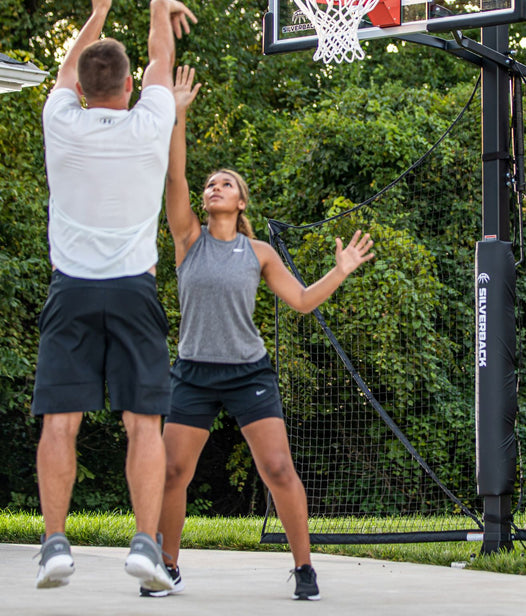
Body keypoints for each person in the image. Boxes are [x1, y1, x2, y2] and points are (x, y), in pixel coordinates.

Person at [142, 65, 374, 601]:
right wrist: (177, 116)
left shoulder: (259, 253)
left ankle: (304, 568)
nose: (213, 187)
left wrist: (339, 271)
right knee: (174, 470)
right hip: (195, 372)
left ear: (241, 201)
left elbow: (300, 302)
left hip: (249, 371)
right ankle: (167, 565)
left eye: (225, 183)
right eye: (210, 184)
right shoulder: (188, 240)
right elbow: (174, 179)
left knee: (276, 467)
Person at [31, 0, 197, 593]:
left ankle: (53, 545)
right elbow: (161, 60)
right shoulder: (150, 122)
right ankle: (147, 546)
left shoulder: (60, 121)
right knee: (143, 423)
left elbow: (69, 71)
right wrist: (158, 8)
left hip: (70, 289)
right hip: (133, 289)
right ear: (128, 86)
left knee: (59, 421)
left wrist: (96, 13)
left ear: (79, 87)